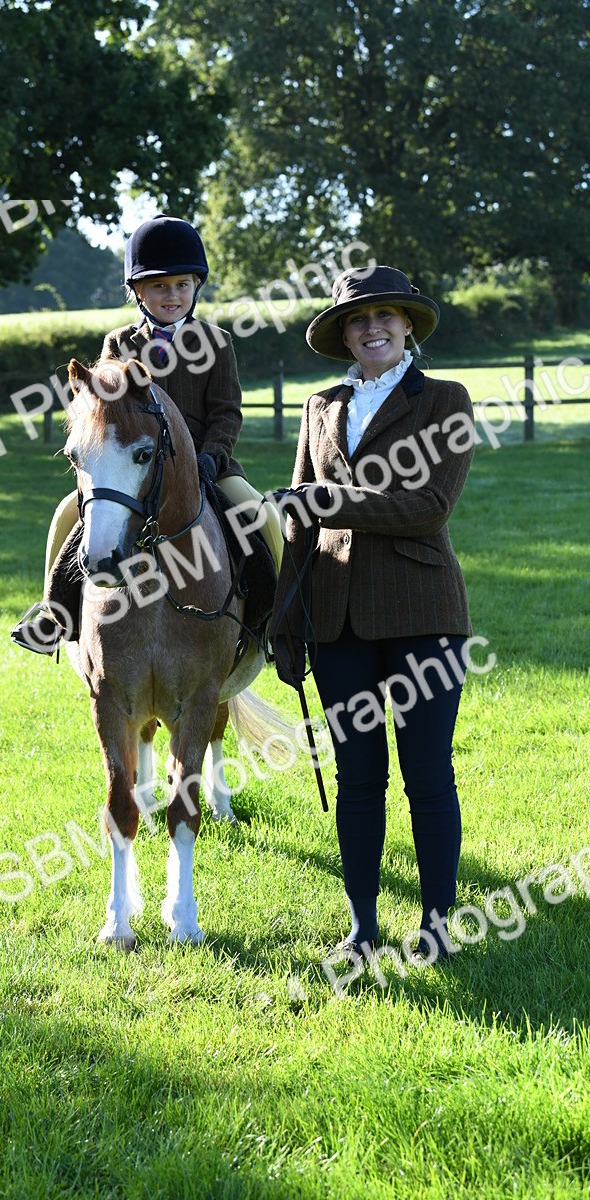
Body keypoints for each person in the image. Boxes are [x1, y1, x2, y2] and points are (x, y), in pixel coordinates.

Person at [271, 265, 475, 965]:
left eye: (386, 315)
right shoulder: (320, 407)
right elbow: (299, 526)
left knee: (427, 774)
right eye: (358, 320)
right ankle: (362, 925)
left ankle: (438, 922)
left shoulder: (446, 401)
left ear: (409, 325)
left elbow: (428, 509)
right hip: (336, 622)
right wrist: (283, 623)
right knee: (358, 779)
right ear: (344, 336)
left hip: (424, 615)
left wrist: (326, 504)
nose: (373, 328)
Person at [11, 214, 283, 653]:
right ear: (138, 291)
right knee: (66, 513)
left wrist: (210, 457)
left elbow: (227, 413)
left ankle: (279, 624)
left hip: (208, 468)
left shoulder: (217, 341)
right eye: (159, 286)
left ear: (197, 287)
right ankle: (53, 617)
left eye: (181, 285)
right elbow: (103, 411)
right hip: (135, 470)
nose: (171, 295)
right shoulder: (119, 344)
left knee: (262, 515)